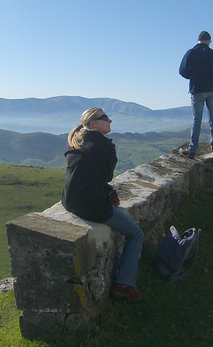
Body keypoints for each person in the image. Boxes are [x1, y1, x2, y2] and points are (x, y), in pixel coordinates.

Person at [62, 107, 143, 302]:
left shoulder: (78, 142)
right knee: (136, 234)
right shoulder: (103, 146)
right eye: (104, 118)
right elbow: (107, 177)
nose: (110, 121)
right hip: (91, 207)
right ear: (92, 124)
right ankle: (124, 284)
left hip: (70, 201)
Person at [179, 31, 213, 159]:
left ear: (199, 40)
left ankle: (192, 151)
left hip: (197, 89)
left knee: (197, 119)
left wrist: (192, 76)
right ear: (208, 40)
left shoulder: (191, 53)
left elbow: (182, 71)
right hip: (212, 90)